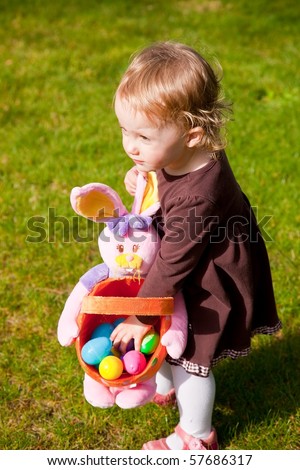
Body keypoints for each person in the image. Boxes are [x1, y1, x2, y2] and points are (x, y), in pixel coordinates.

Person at [110, 41, 282, 450]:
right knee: (173, 335)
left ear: (192, 135)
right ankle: (165, 382)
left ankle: (197, 434)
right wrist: (144, 176)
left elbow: (171, 265)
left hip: (209, 280)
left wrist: (139, 315)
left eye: (143, 137)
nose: (130, 146)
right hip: (192, 261)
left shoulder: (199, 196)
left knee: (192, 359)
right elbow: (164, 182)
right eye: (125, 131)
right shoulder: (180, 154)